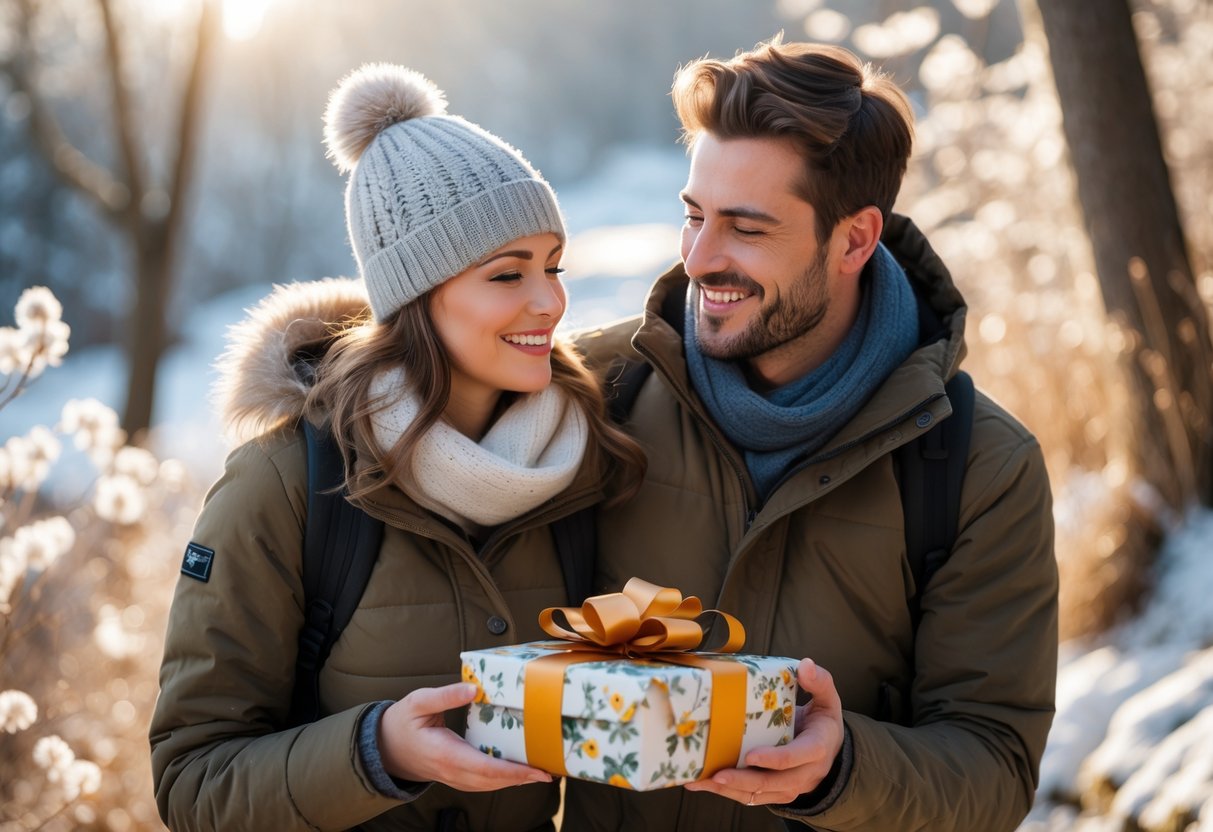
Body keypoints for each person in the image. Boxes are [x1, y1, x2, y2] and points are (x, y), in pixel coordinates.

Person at [567, 37, 1058, 831]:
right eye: (692, 216)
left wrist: (841, 771)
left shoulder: (978, 467)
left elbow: (994, 766)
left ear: (854, 240)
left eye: (745, 229)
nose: (697, 259)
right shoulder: (594, 394)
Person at [149, 63, 643, 831]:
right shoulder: (285, 485)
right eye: (507, 274)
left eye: (553, 266)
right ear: (416, 293)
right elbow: (192, 781)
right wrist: (376, 753)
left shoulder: (581, 460)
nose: (548, 301)